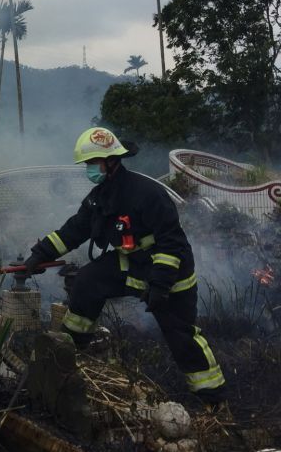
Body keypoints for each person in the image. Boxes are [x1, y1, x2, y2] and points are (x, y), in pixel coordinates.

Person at [17, 126, 226, 405]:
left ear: (111, 160)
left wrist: (161, 286)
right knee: (88, 281)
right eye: (87, 164)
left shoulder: (147, 194)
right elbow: (75, 230)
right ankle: (69, 352)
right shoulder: (100, 196)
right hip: (132, 264)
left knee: (180, 335)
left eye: (93, 163)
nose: (89, 169)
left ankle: (212, 397)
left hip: (170, 272)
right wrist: (38, 255)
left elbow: (171, 244)